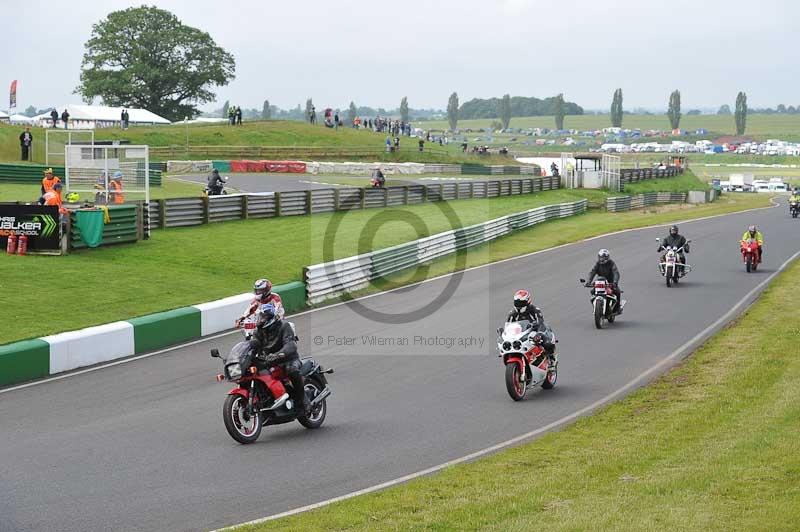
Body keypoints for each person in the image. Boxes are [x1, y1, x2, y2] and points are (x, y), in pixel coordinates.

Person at [251, 303, 308, 414]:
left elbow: (291, 345)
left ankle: (303, 399)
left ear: (271, 317)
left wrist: (278, 354)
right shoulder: (258, 331)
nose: (261, 319)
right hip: (269, 361)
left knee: (291, 370)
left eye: (263, 317)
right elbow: (252, 345)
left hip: (288, 359)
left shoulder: (284, 326)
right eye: (260, 317)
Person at [506, 290, 557, 366]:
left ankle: (552, 357)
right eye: (517, 303)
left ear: (528, 301)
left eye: (521, 303)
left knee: (544, 339)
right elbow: (508, 326)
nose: (519, 305)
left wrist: (538, 330)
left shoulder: (535, 310)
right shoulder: (512, 314)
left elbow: (540, 322)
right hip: (520, 334)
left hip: (533, 331)